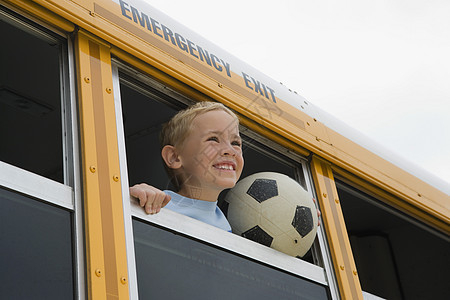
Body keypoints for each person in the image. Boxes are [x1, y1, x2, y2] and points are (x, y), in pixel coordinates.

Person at [129, 101, 243, 232]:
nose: (230, 150)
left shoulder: (228, 228)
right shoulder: (156, 203)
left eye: (236, 143)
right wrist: (132, 197)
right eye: (213, 139)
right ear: (174, 157)